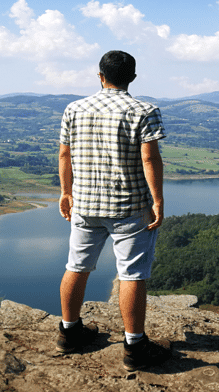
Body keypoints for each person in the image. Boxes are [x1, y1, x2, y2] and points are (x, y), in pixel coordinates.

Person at [56, 50, 171, 371]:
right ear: (132, 77)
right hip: (130, 207)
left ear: (99, 75)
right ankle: (134, 347)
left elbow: (65, 155)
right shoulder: (144, 110)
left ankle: (69, 332)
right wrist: (158, 200)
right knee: (132, 274)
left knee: (76, 266)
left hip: (85, 204)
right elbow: (149, 159)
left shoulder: (74, 109)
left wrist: (66, 192)